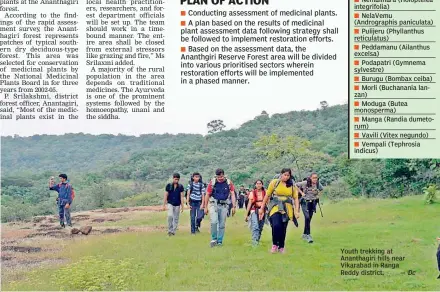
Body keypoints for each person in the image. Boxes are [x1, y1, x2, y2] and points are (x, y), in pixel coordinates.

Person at [259, 168, 300, 253]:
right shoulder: (275, 182)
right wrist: (262, 208)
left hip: (287, 208)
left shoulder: (292, 184)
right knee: (276, 225)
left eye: (288, 175)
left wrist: (296, 210)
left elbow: (296, 198)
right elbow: (267, 195)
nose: (286, 177)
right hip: (275, 206)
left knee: (283, 227)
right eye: (285, 175)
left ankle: (281, 246)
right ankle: (275, 244)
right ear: (281, 174)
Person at [204, 168, 236, 247]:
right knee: (214, 221)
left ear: (224, 175)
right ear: (216, 176)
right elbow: (207, 194)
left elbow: (232, 194)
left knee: (222, 224)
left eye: (221, 176)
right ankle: (214, 238)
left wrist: (234, 206)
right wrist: (205, 207)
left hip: (224, 205)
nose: (220, 178)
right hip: (213, 204)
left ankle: (220, 241)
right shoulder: (212, 183)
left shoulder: (228, 183)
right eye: (219, 177)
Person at [295, 172, 323, 243]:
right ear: (310, 178)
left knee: (308, 219)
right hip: (305, 202)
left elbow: (321, 189)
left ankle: (304, 234)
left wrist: (318, 196)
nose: (315, 179)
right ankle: (308, 235)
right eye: (313, 178)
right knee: (307, 217)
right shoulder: (305, 183)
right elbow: (295, 185)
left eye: (316, 178)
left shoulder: (317, 184)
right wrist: (301, 193)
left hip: (313, 202)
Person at [245, 179, 266, 246]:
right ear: (255, 185)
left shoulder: (266, 192)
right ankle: (254, 242)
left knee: (260, 226)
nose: (258, 185)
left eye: (260, 183)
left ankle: (257, 239)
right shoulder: (252, 193)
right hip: (254, 210)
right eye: (257, 183)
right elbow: (249, 204)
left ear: (262, 184)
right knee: (255, 226)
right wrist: (246, 214)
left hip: (263, 211)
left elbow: (268, 202)